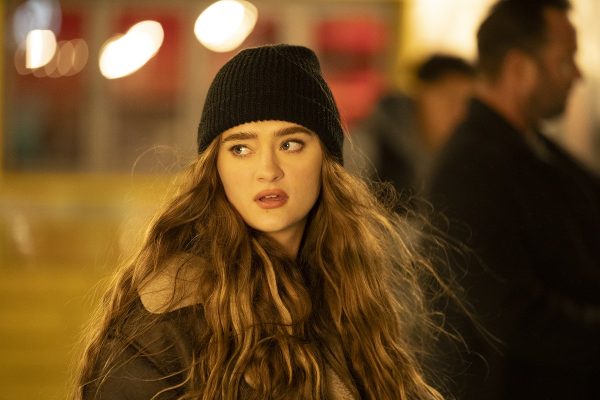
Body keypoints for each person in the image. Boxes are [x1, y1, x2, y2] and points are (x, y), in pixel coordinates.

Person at [72, 44, 454, 400]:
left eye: (290, 144)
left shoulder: (350, 291)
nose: (268, 170)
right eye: (241, 148)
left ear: (326, 161)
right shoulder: (170, 312)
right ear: (215, 167)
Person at [426, 1, 600, 399]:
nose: (577, 75)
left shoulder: (533, 150)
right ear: (519, 68)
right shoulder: (469, 168)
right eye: (565, 61)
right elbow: (510, 316)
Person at [344, 54, 475, 203]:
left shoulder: (458, 159)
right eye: (450, 98)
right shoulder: (367, 147)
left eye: (466, 104)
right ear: (420, 93)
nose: (458, 113)